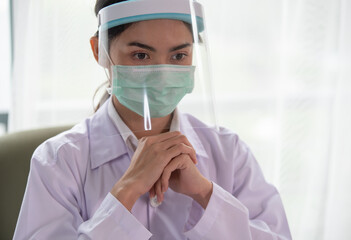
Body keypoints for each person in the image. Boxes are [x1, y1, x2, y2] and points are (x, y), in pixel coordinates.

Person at [14, 0, 291, 239]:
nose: (163, 72)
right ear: (99, 50)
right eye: (141, 55)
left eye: (179, 55)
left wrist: (207, 196)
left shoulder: (229, 152)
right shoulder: (58, 161)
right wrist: (126, 191)